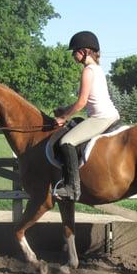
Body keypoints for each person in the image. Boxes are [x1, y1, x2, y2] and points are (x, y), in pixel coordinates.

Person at [52, 31, 120, 201]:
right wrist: (65, 110)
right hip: (110, 115)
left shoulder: (88, 71)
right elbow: (85, 101)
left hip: (100, 118)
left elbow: (81, 103)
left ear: (83, 51)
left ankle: (72, 188)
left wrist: (63, 118)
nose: (73, 55)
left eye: (74, 51)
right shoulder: (97, 69)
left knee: (67, 141)